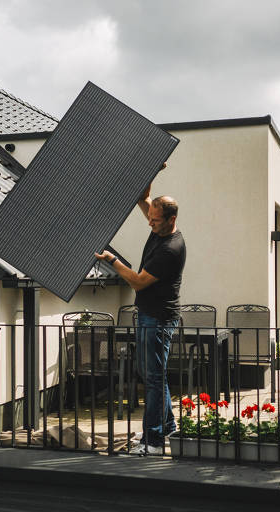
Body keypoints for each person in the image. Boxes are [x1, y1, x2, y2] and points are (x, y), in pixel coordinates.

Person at [95, 172, 186, 455]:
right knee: (154, 374)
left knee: (153, 378)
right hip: (150, 315)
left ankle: (154, 442)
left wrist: (112, 260)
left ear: (171, 219)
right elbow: (143, 198)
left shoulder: (170, 249)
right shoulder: (160, 226)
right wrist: (153, 167)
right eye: (150, 218)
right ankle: (168, 427)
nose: (149, 222)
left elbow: (137, 281)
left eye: (154, 220)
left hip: (157, 318)